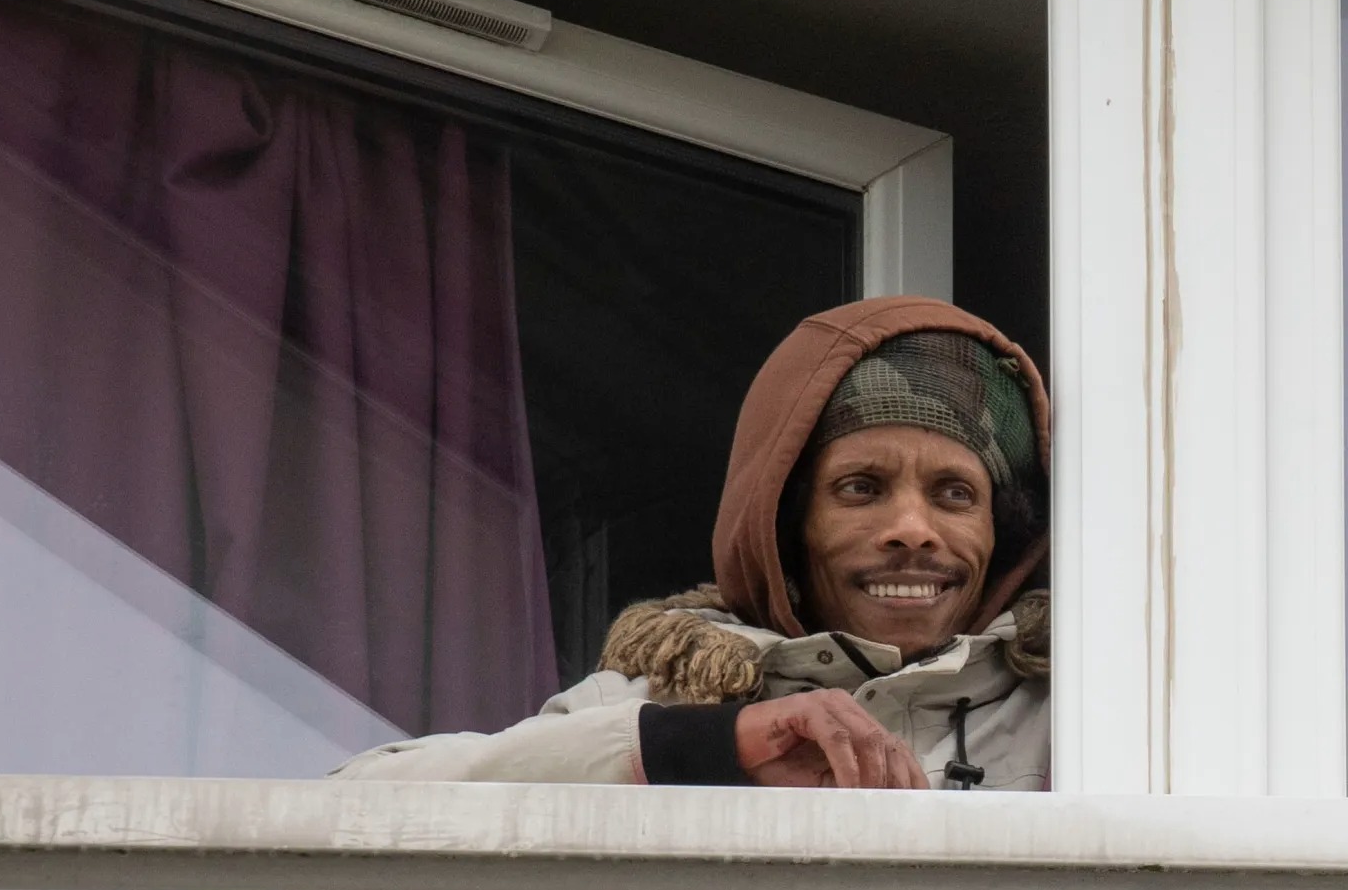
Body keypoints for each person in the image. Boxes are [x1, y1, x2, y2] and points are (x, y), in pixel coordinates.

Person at [333, 296, 1051, 790]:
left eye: (956, 494)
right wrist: (711, 744)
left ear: (1003, 532)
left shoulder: (1074, 704)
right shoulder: (672, 698)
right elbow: (357, 799)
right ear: (784, 525)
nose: (913, 528)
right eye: (860, 487)